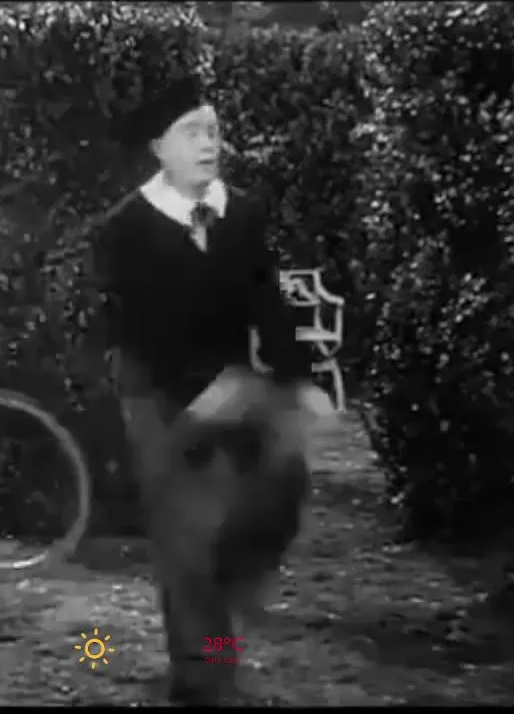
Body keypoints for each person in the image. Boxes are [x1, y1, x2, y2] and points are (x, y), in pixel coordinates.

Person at [92, 74, 337, 704]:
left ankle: (221, 615)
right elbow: (137, 327)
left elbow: (266, 298)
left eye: (214, 131)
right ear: (159, 148)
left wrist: (296, 379)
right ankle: (205, 681)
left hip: (232, 381)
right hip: (156, 389)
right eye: (192, 132)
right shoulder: (124, 227)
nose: (209, 144)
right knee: (186, 538)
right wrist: (201, 398)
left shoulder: (242, 212)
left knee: (276, 493)